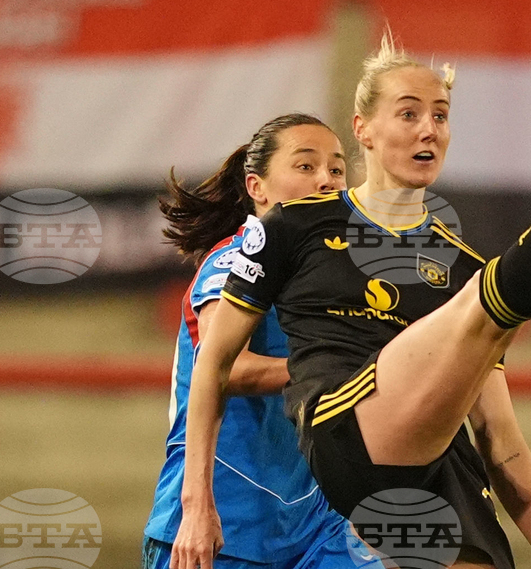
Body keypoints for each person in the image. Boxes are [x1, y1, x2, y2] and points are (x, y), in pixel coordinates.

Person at [173, 33, 531, 569]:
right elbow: (215, 366)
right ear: (363, 130)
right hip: (345, 422)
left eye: (440, 115)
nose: (429, 130)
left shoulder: (459, 263)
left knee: (483, 299)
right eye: (409, 113)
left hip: (438, 461)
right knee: (488, 298)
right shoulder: (294, 225)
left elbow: (498, 436)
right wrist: (197, 504)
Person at [143, 114, 379, 569]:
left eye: (335, 170)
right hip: (223, 525)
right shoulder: (232, 261)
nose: (326, 180)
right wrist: (196, 511)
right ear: (257, 187)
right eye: (306, 166)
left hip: (314, 525)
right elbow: (229, 367)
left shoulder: (341, 279)